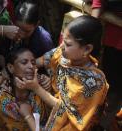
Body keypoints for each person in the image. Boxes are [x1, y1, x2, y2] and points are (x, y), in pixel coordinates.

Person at [15, 15, 109, 131]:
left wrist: (36, 88)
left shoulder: (92, 84)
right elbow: (44, 60)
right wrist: (22, 68)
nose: (62, 47)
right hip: (51, 107)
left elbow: (63, 109)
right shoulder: (65, 55)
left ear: (87, 49)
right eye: (63, 40)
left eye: (68, 44)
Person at [0, 47, 50, 131]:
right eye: (24, 62)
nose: (31, 66)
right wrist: (0, 78)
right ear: (10, 67)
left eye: (33, 62)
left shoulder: (41, 86)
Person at [90, 0, 122, 130]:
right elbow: (98, 3)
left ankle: (102, 125)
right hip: (113, 42)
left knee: (116, 92)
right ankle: (94, 120)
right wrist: (89, 30)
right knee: (105, 85)